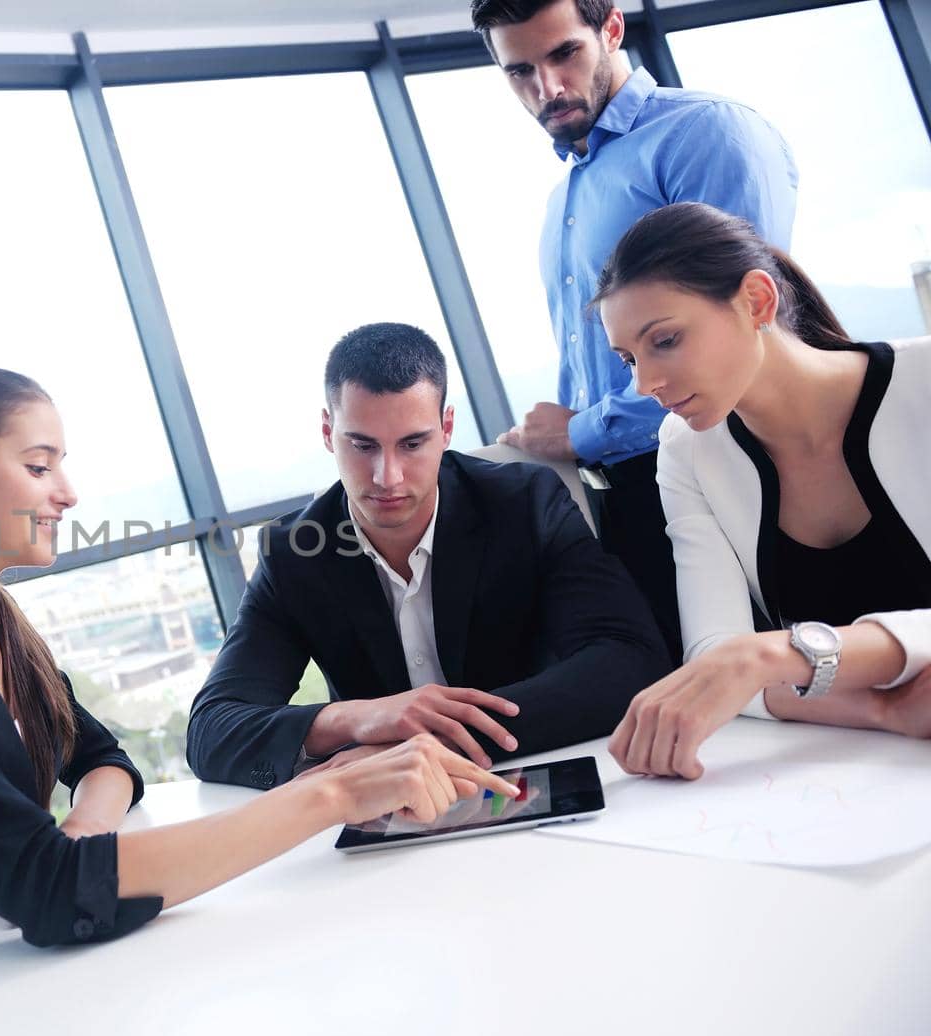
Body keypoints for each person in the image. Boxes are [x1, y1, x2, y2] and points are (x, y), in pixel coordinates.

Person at [0, 366, 520, 1000]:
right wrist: (329, 793)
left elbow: (107, 762)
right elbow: (49, 891)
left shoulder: (5, 631)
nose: (68, 493)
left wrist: (81, 831)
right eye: (40, 467)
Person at [186, 324, 669, 790]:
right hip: (395, 817)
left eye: (413, 444)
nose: (387, 476)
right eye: (362, 445)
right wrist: (360, 718)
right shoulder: (296, 551)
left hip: (537, 777)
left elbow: (628, 661)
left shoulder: (525, 504)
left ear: (446, 428)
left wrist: (423, 743)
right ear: (328, 432)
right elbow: (213, 730)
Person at [471, 0, 799, 662]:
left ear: (612, 29)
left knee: (784, 679)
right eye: (520, 71)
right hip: (632, 495)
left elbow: (740, 342)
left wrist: (580, 430)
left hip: (734, 463)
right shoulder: (565, 198)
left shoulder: (707, 134)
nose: (548, 89)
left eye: (564, 54)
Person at [592, 202, 931, 779]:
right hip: (863, 772)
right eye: (629, 359)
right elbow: (715, 663)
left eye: (665, 340)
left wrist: (774, 653)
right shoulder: (688, 449)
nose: (644, 383)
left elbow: (744, 663)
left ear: (756, 301)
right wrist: (883, 708)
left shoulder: (922, 383)